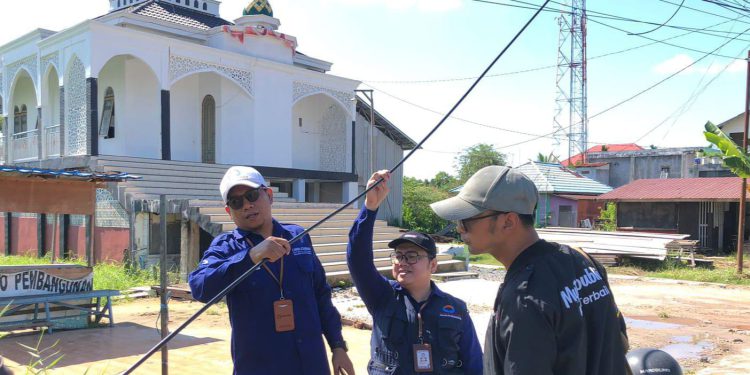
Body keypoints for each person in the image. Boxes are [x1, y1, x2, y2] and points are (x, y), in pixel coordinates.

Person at [430, 165, 629, 375]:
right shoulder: (583, 261)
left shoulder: (524, 297)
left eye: (467, 220)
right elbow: (618, 338)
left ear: (508, 222)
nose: (460, 228)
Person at [188, 166, 355, 375]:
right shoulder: (226, 247)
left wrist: (338, 346)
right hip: (260, 367)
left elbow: (321, 294)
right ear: (229, 211)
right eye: (236, 202)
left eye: (252, 195)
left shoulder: (298, 236)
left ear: (268, 195)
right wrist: (251, 256)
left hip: (311, 364)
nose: (247, 205)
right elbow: (199, 287)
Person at [347, 170, 483, 374]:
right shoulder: (382, 297)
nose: (403, 262)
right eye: (398, 256)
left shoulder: (455, 309)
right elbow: (358, 259)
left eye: (412, 256)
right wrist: (370, 207)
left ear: (433, 265)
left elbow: (474, 365)